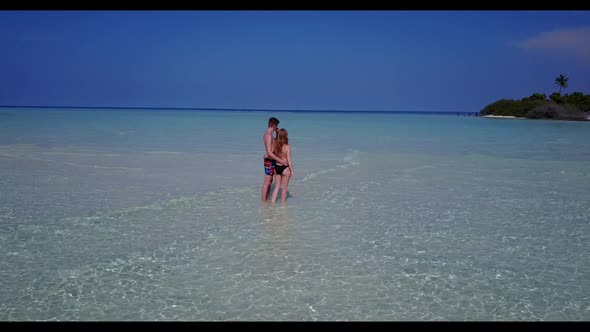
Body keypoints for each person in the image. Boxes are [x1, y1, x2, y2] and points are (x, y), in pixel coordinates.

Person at [261, 117, 288, 202]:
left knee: (269, 181)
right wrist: (281, 161)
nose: (277, 128)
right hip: (270, 161)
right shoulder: (269, 136)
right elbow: (269, 152)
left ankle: (267, 200)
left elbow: (274, 146)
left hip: (270, 160)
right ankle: (264, 202)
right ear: (274, 125)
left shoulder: (268, 134)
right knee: (267, 182)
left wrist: (277, 134)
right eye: (276, 126)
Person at [271, 128, 293, 204]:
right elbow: (289, 160)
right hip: (285, 169)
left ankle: (272, 204)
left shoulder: (275, 145)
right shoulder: (287, 147)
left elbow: (271, 154)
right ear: (285, 136)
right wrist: (292, 170)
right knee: (284, 188)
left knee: (276, 187)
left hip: (276, 167)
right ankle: (283, 206)